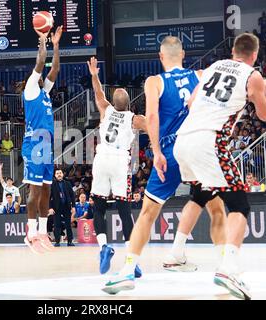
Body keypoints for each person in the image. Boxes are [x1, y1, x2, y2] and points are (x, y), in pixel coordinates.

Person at [103, 36, 227, 295]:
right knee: (216, 208)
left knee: (148, 214)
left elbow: (151, 117)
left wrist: (157, 151)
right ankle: (226, 268)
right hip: (195, 147)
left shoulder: (154, 82)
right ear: (183, 53)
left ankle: (127, 270)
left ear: (161, 57)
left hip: (170, 150)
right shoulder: (201, 75)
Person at [172, 33, 266, 299]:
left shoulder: (212, 66)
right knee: (240, 204)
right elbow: (264, 115)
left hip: (183, 141)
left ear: (233, 51)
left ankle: (176, 252)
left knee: (201, 193)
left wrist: (260, 84)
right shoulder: (252, 74)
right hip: (210, 141)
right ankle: (229, 268)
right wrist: (263, 90)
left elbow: (190, 101)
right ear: (254, 55)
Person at [87, 57, 147, 275]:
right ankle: (132, 260)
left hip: (102, 158)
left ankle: (104, 248)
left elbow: (98, 93)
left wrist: (94, 74)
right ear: (129, 104)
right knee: (123, 210)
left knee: (99, 207)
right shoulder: (134, 119)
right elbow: (154, 126)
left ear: (114, 102)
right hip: (120, 162)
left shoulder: (106, 110)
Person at [21, 25, 63, 253]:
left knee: (47, 190)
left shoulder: (45, 92)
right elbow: (41, 62)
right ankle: (30, 233)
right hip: (35, 142)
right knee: (34, 192)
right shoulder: (30, 89)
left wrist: (56, 45)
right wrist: (43, 40)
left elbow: (54, 68)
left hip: (46, 143)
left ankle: (43, 232)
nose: (43, 77)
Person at [49, 169, 76, 246]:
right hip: (56, 207)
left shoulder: (67, 183)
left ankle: (70, 241)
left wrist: (73, 206)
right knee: (57, 224)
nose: (59, 174)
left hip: (66, 206)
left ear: (62, 174)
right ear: (55, 175)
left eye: (60, 173)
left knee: (68, 224)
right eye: (57, 173)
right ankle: (57, 242)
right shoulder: (52, 184)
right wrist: (50, 208)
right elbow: (49, 197)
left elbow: (72, 196)